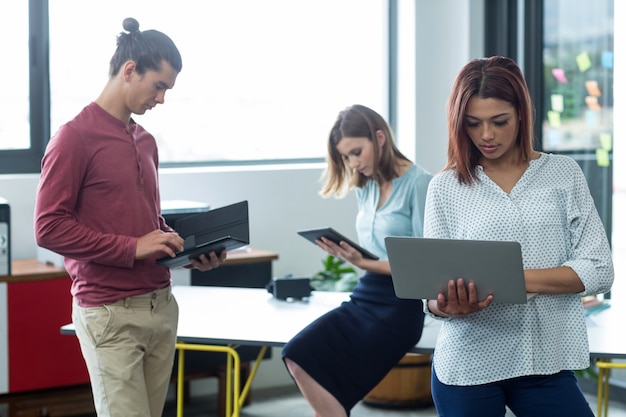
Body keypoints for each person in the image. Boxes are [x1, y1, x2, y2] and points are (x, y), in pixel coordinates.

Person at [34, 18, 226, 417]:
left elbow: (149, 222)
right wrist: (134, 247)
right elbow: (48, 227)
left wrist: (188, 250)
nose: (161, 99)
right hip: (109, 313)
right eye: (159, 86)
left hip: (161, 306)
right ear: (129, 70)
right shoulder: (73, 138)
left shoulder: (145, 141)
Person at [424, 56, 614, 417]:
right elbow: (432, 294)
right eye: (473, 124)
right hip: (468, 363)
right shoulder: (445, 188)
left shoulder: (563, 174)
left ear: (522, 115)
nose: (486, 135)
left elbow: (599, 269)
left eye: (499, 122)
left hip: (545, 363)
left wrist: (509, 281)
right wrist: (446, 305)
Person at [282, 104, 432, 417]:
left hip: (401, 305)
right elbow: (375, 252)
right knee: (296, 354)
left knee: (318, 372)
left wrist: (364, 263)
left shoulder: (420, 184)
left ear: (379, 138)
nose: (352, 163)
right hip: (366, 295)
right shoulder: (366, 187)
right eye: (345, 157)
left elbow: (423, 266)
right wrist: (352, 256)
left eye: (356, 152)